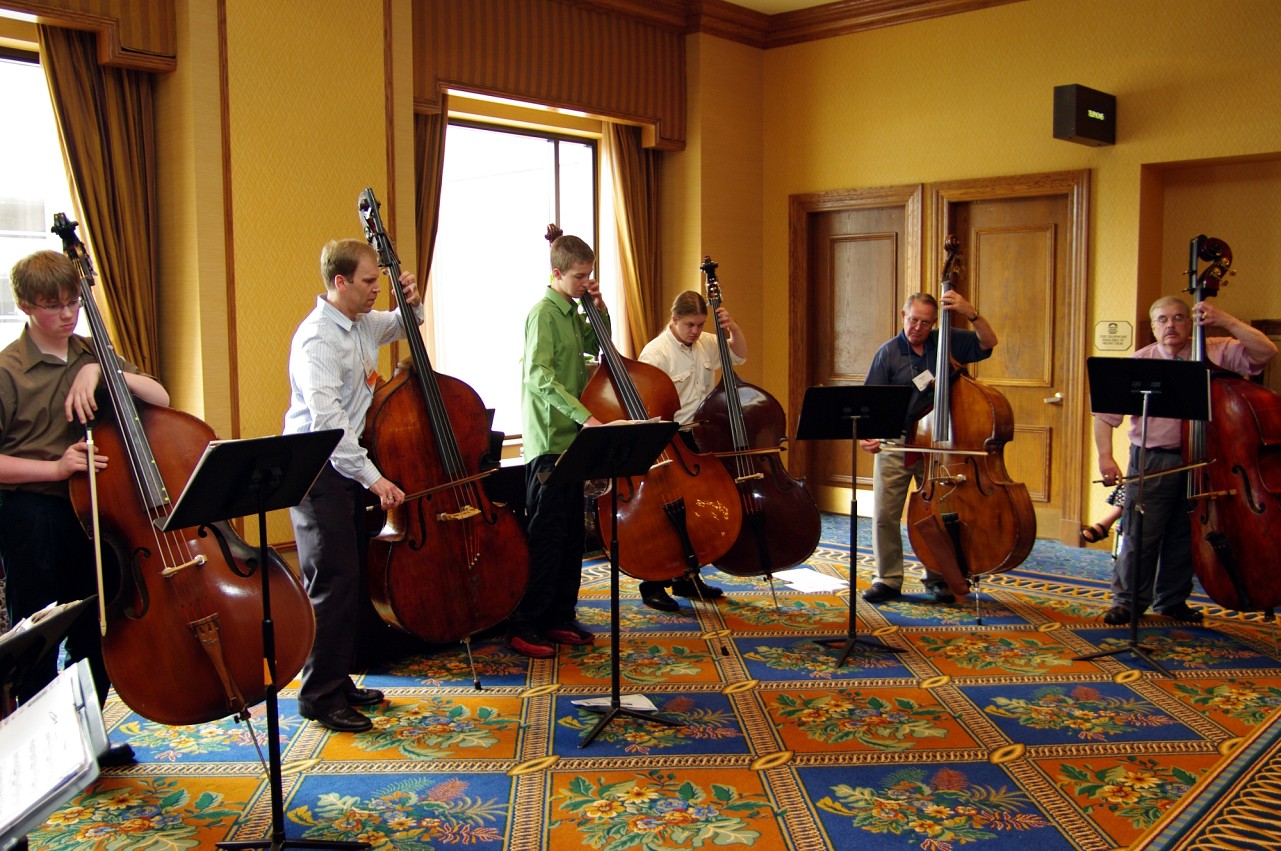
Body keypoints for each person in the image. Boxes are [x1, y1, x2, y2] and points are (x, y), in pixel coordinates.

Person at [0, 250, 169, 763]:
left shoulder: (91, 349)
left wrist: (99, 369)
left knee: (97, 628)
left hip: (95, 512)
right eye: (53, 307)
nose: (68, 314)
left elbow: (160, 397)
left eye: (74, 302)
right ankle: (42, 754)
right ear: (27, 306)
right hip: (33, 513)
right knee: (38, 637)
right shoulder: (7, 370)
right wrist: (55, 467)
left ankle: (86, 742)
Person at [282, 238, 420, 732]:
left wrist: (411, 297)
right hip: (316, 467)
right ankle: (318, 695)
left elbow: (407, 323)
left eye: (378, 282)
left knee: (349, 577)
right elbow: (328, 423)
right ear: (339, 282)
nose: (374, 291)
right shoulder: (318, 338)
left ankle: (339, 681)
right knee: (331, 582)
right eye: (367, 282)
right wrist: (375, 477)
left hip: (344, 464)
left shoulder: (361, 322)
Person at [1094, 295, 1277, 625]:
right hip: (1152, 460)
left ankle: (1172, 600)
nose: (1170, 325)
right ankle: (1128, 602)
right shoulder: (1140, 360)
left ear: (1191, 322)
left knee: (1186, 534)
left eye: (1178, 318)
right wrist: (1105, 458)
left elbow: (1267, 353)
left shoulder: (1215, 351)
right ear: (1152, 327)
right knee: (1140, 534)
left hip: (1207, 462)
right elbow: (1105, 415)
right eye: (1162, 320)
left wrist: (1227, 320)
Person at [505, 225, 609, 659]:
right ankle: (525, 624)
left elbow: (598, 345)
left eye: (590, 276)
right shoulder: (543, 314)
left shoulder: (571, 311)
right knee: (546, 538)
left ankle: (559, 617)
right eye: (580, 277)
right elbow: (538, 376)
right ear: (557, 273)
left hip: (573, 440)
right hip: (551, 440)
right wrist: (584, 416)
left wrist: (599, 309)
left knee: (570, 538)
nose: (586, 283)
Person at [858, 291, 997, 604]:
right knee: (884, 514)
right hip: (897, 441)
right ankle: (888, 579)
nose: (917, 327)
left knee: (938, 512)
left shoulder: (946, 340)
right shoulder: (888, 353)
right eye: (913, 320)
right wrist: (868, 435)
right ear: (902, 315)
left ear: (934, 323)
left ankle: (939, 576)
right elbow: (870, 402)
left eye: (925, 322)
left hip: (938, 443)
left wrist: (972, 314)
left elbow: (988, 342)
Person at [633, 290, 746, 611]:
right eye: (689, 325)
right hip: (668, 438)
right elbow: (645, 404)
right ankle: (652, 583)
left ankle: (687, 577)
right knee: (666, 513)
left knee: (698, 509)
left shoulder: (707, 342)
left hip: (699, 439)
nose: (696, 331)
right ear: (674, 320)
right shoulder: (656, 353)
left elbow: (739, 355)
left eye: (700, 324)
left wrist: (733, 328)